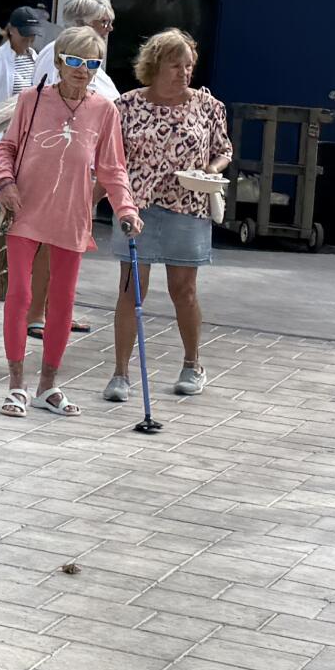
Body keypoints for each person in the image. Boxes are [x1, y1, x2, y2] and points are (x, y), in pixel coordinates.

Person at [0, 24, 140, 417]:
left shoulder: (104, 109)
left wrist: (125, 209)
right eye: (74, 60)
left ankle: (47, 386)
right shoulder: (31, 100)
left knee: (63, 304)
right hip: (24, 211)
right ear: (58, 62)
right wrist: (4, 182)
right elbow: (5, 149)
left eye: (91, 62)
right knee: (20, 296)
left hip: (72, 216)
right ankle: (15, 385)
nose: (82, 69)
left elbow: (113, 168)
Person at [107, 29, 231, 403]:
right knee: (131, 289)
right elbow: (110, 157)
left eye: (189, 66)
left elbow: (223, 149)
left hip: (188, 206)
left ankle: (193, 364)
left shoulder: (209, 106)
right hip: (136, 205)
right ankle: (121, 374)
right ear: (155, 65)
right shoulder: (125, 106)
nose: (184, 73)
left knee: (184, 290)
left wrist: (211, 169)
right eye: (176, 65)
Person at [0, 5, 51, 115]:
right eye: (25, 33)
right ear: (12, 30)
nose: (29, 39)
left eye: (32, 34)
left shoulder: (36, 60)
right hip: (2, 128)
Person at [40, 0, 118, 99]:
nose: (110, 28)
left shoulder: (84, 52)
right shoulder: (59, 51)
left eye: (110, 23)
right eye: (104, 22)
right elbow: (57, 98)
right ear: (82, 23)